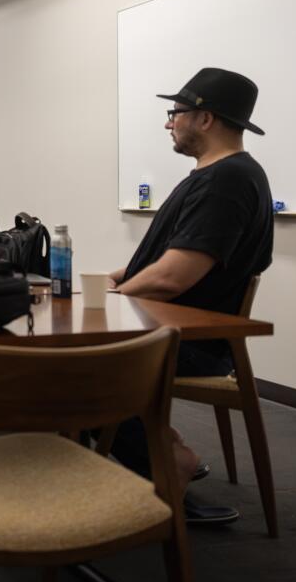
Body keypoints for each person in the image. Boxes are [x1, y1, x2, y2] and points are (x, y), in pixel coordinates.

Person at [109, 68, 272, 526]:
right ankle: (160, 445)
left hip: (190, 341)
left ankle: (166, 463)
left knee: (70, 368)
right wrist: (107, 281)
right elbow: (158, 260)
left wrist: (110, 298)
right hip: (166, 326)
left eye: (174, 113)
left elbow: (172, 277)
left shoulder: (228, 180)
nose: (168, 123)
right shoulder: (210, 175)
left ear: (204, 118)